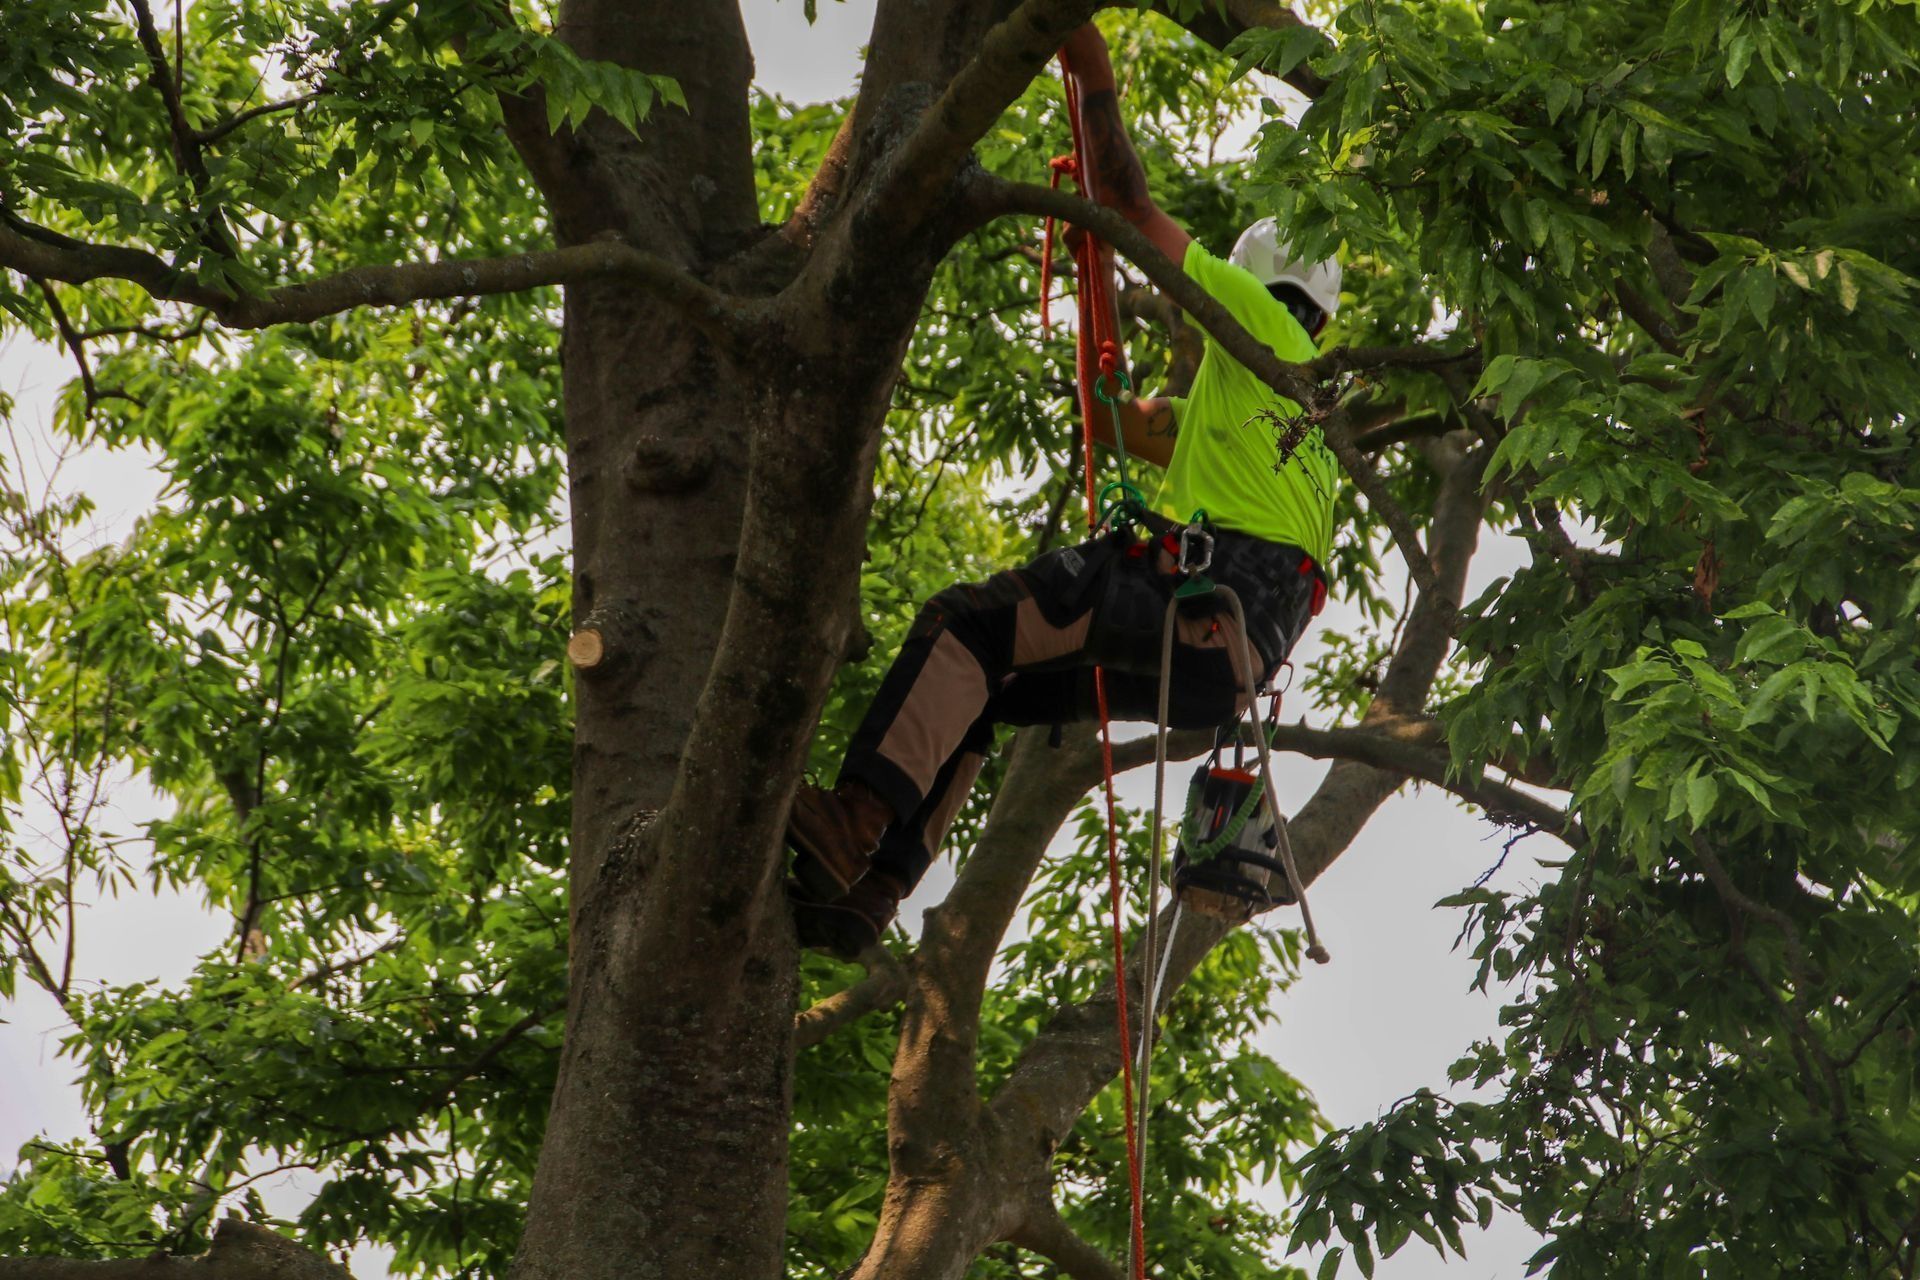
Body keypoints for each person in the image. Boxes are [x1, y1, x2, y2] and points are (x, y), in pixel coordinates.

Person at [785, 22, 1342, 957]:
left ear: (1251, 284)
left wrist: (1088, 65)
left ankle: (855, 820)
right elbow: (1120, 425)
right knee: (990, 689)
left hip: (1190, 595)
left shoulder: (1254, 320)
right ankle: (874, 885)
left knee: (964, 627)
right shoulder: (1286, 412)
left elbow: (1125, 200)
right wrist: (1095, 304)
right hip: (1221, 666)